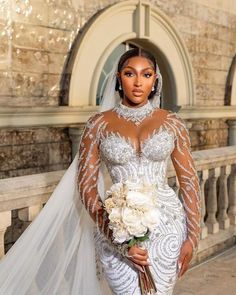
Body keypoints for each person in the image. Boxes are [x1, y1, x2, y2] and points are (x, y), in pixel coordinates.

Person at [0, 48, 200, 295]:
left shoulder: (172, 123)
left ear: (155, 79)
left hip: (166, 227)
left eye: (146, 75)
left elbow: (189, 181)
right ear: (118, 77)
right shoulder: (98, 124)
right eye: (130, 74)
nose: (138, 82)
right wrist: (117, 238)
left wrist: (193, 237)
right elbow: (86, 187)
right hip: (116, 226)